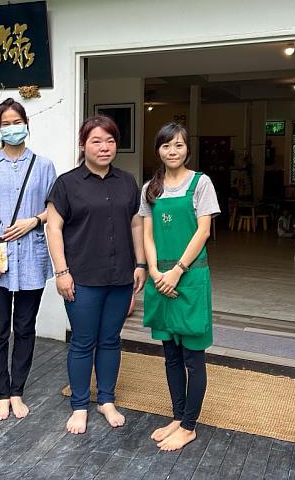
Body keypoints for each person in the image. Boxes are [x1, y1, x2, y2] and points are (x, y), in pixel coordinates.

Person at [46, 115, 147, 435]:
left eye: (110, 141)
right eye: (96, 141)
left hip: (120, 277)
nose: (104, 147)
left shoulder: (127, 182)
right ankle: (79, 405)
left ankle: (106, 400)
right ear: (83, 145)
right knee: (82, 342)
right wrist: (61, 272)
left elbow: (135, 223)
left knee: (110, 340)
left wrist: (140, 264)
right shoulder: (67, 183)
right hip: (82, 278)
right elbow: (53, 228)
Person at [0, 98, 57, 421]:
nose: (11, 128)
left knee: (25, 327)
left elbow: (54, 209)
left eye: (16, 121)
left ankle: (17, 390)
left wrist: (34, 220)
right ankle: (1, 393)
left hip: (31, 256)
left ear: (26, 125)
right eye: (4, 123)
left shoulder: (43, 165)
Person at [140, 122, 219, 451]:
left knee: (192, 356)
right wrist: (156, 271)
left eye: (179, 146)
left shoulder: (201, 183)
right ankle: (177, 416)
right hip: (160, 279)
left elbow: (203, 232)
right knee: (170, 354)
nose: (172, 152)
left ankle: (189, 425)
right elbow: (146, 234)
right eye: (166, 146)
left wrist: (177, 271)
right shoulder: (150, 188)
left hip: (190, 277)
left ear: (188, 149)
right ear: (158, 149)